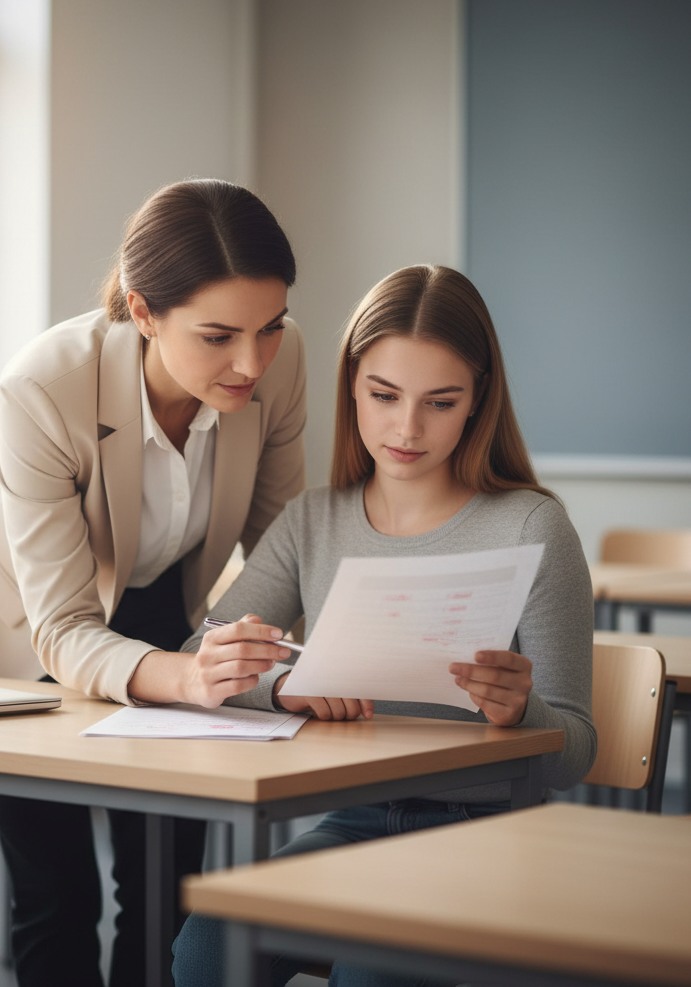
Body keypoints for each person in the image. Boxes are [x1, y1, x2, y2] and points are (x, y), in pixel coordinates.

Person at [0, 179, 306, 987]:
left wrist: (305, 653)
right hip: (11, 620)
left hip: (156, 593)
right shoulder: (43, 387)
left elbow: (286, 549)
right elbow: (60, 628)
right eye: (220, 335)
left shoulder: (276, 364)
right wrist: (189, 675)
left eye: (269, 328)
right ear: (143, 311)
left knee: (164, 882)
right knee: (57, 892)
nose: (251, 362)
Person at [171, 264, 597, 987]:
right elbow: (198, 657)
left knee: (373, 971)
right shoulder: (315, 518)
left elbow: (577, 751)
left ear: (477, 402)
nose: (407, 427)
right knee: (205, 951)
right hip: (358, 827)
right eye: (384, 396)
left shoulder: (532, 523)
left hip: (491, 835)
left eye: (440, 401)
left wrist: (524, 712)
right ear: (351, 389)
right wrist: (284, 688)